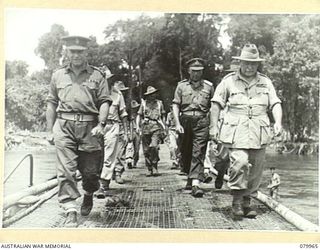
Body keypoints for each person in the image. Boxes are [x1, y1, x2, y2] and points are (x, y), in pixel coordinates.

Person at [210, 44, 282, 219]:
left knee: (256, 168)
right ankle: (236, 202)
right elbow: (216, 104)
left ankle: (247, 200)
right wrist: (213, 127)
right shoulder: (228, 81)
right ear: (240, 62)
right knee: (240, 163)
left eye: (253, 64)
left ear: (258, 65)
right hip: (236, 130)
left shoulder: (266, 82)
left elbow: (275, 103)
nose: (250, 67)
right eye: (246, 63)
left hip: (259, 129)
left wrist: (278, 122)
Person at [46, 35, 111, 227]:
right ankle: (70, 209)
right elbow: (51, 103)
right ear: (66, 52)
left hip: (90, 129)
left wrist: (102, 124)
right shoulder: (58, 75)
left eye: (80, 52)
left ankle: (89, 192)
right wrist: (50, 131)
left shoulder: (97, 75)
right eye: (72, 51)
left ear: (86, 53)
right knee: (66, 170)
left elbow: (105, 101)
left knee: (90, 173)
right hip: (64, 127)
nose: (76, 55)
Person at [172, 58, 214, 197]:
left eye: (199, 71)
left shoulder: (209, 86)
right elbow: (175, 105)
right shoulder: (181, 86)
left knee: (199, 151)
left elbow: (214, 107)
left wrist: (214, 125)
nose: (196, 74)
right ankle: (190, 177)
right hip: (185, 121)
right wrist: (177, 123)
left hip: (202, 121)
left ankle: (196, 183)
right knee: (186, 151)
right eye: (194, 71)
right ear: (189, 71)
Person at [96, 80, 128, 199]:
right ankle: (98, 181)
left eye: (110, 80)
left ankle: (103, 184)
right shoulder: (95, 92)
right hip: (98, 125)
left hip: (112, 126)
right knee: (96, 154)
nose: (108, 82)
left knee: (109, 156)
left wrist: (125, 132)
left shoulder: (118, 95)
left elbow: (123, 114)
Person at [136, 86, 166, 176]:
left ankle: (155, 165)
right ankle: (149, 168)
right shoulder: (144, 104)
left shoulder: (160, 103)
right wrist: (137, 126)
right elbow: (139, 115)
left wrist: (164, 127)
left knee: (154, 146)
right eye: (150, 95)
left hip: (156, 127)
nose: (152, 96)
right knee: (146, 150)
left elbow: (163, 115)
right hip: (145, 128)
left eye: (154, 94)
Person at [126, 100, 141, 169]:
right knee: (129, 146)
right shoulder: (128, 115)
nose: (134, 109)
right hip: (130, 131)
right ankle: (129, 160)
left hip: (137, 132)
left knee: (137, 148)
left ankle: (135, 161)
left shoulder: (139, 115)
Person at [166, 104, 180, 170]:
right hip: (171, 130)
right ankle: (174, 161)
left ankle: (179, 160)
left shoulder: (179, 114)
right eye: (171, 109)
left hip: (179, 131)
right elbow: (167, 124)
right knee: (173, 146)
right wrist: (166, 133)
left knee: (179, 147)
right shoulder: (169, 115)